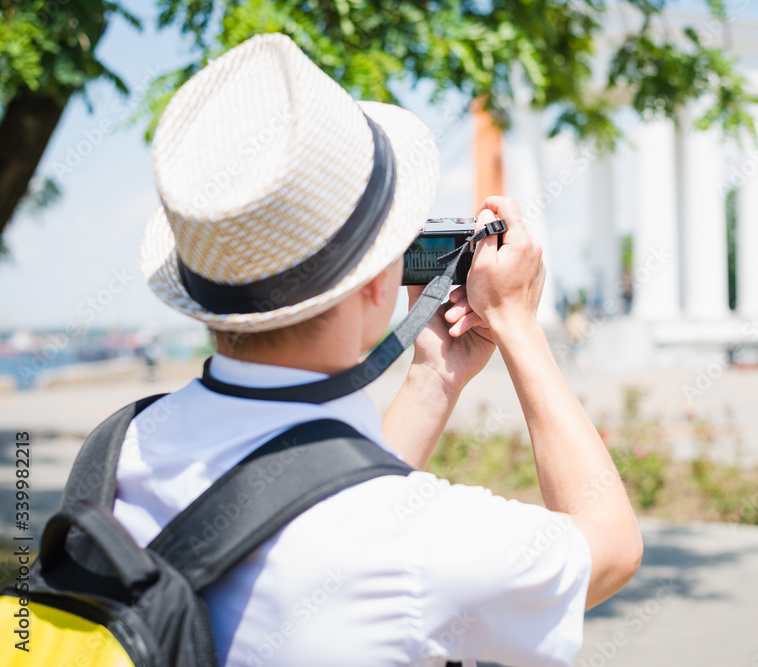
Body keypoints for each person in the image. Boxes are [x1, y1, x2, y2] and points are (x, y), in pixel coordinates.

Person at [119, 33, 642, 666]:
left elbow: (302, 497)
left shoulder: (122, 448)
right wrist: (519, 328)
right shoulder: (415, 549)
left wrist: (433, 379)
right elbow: (610, 548)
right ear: (375, 287)